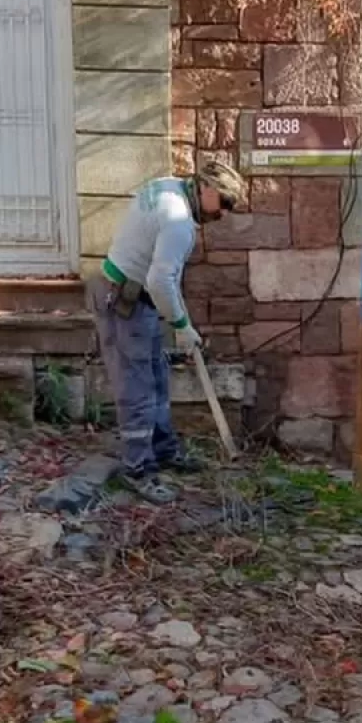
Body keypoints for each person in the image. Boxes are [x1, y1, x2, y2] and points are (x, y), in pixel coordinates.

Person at [91, 159, 248, 503]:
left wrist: (178, 318)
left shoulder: (167, 186)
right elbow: (160, 279)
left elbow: (160, 278)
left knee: (158, 377)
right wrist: (181, 325)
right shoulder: (179, 222)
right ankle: (137, 469)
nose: (224, 214)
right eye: (224, 203)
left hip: (138, 297)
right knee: (138, 387)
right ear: (206, 188)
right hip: (121, 299)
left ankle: (163, 450)